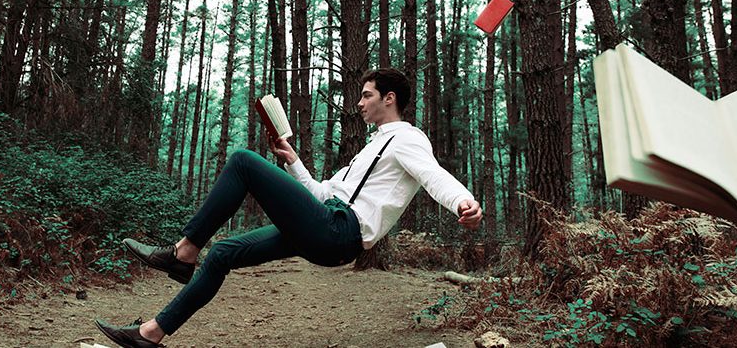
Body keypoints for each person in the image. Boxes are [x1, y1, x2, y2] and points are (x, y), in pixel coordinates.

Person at [95, 68, 483, 348]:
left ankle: (183, 253)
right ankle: (151, 334)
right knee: (225, 254)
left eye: (366, 95)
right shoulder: (373, 147)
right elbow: (321, 192)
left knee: (243, 162)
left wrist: (463, 201)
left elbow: (434, 175)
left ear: (389, 98)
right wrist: (292, 159)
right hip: (326, 224)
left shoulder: (406, 139)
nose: (360, 102)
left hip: (338, 231)